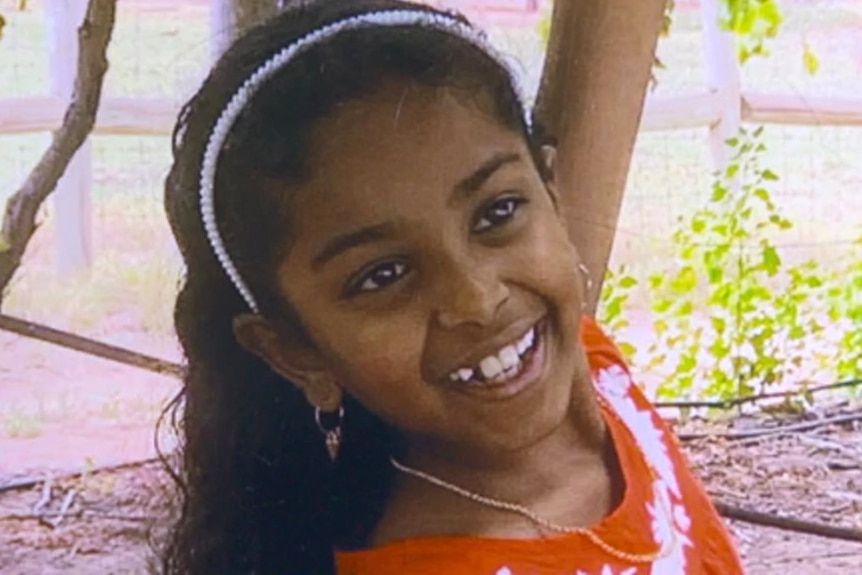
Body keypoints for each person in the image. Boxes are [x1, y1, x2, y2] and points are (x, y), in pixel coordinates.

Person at [160, 0, 744, 573]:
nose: (478, 300)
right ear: (296, 350)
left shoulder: (591, 371)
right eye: (383, 275)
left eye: (497, 213)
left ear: (551, 191)